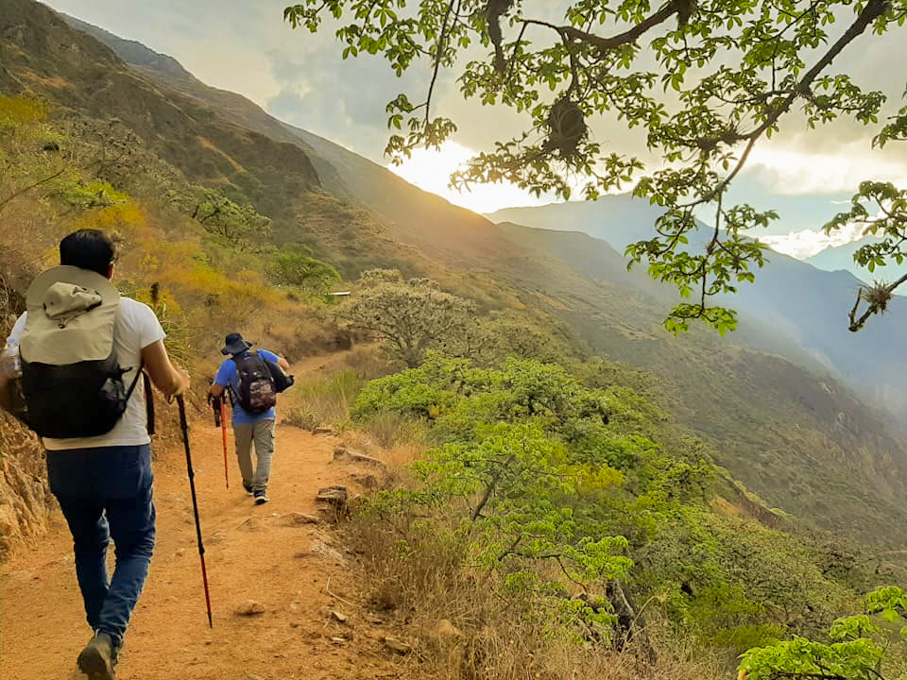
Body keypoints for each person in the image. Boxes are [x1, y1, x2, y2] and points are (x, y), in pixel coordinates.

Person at [1, 230, 190, 680]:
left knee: (88, 544)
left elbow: (5, 382)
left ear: (62, 268)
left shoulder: (29, 322)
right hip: (124, 452)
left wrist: (36, 424)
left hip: (62, 456)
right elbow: (166, 381)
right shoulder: (133, 313)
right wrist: (180, 383)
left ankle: (99, 634)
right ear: (110, 271)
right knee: (137, 545)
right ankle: (108, 636)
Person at [208, 333, 289, 505]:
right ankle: (261, 490)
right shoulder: (261, 354)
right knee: (265, 452)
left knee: (243, 452)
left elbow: (215, 391)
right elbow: (285, 365)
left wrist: (217, 380)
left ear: (230, 350)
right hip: (266, 414)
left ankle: (249, 483)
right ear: (244, 345)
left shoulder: (227, 365)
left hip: (241, 418)